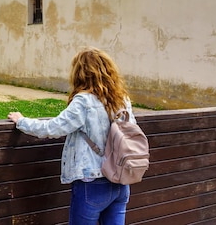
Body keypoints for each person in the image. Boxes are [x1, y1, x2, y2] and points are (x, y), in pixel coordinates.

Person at [8, 47, 135, 224]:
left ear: (80, 73)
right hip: (121, 180)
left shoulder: (84, 101)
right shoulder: (123, 100)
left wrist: (21, 121)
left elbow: (52, 128)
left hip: (92, 182)